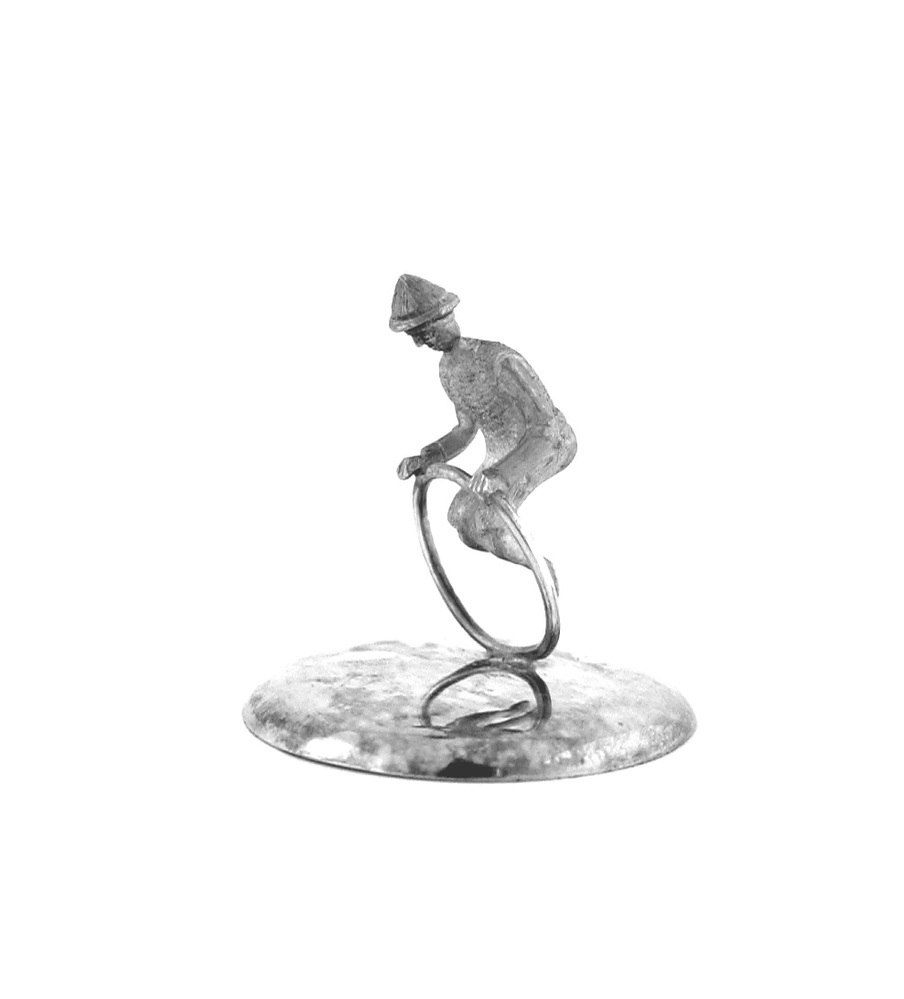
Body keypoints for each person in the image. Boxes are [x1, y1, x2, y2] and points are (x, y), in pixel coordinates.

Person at [391, 275, 577, 579]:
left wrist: (502, 475)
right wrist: (428, 457)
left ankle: (545, 575)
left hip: (544, 445)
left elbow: (547, 428)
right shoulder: (448, 371)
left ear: (446, 316)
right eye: (417, 336)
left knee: (487, 519)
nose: (422, 342)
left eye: (425, 332)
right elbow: (465, 429)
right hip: (500, 452)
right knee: (461, 520)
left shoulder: (500, 361)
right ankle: (542, 568)